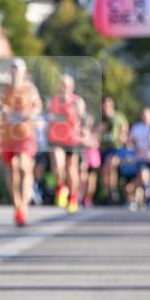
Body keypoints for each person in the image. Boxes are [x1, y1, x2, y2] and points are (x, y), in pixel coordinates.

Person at [0, 58, 42, 226]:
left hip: (25, 134)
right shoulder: (3, 89)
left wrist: (31, 112)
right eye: (13, 68)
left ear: (24, 71)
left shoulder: (30, 89)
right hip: (8, 135)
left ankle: (24, 205)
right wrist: (0, 107)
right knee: (12, 170)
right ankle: (18, 206)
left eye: (18, 68)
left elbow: (38, 106)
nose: (15, 71)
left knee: (23, 166)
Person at [47, 73, 85, 213]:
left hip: (72, 139)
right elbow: (50, 117)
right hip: (57, 138)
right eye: (62, 84)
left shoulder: (77, 100)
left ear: (72, 86)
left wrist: (76, 108)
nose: (64, 87)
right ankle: (61, 187)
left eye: (67, 85)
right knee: (58, 166)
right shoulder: (54, 100)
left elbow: (81, 117)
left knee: (71, 169)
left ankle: (73, 197)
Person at [99, 95, 128, 204]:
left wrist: (123, 136)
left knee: (110, 164)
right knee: (104, 171)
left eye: (108, 104)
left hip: (116, 148)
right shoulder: (101, 119)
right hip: (103, 149)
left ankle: (113, 191)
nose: (106, 107)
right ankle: (107, 193)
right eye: (104, 105)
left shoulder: (119, 117)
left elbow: (125, 131)